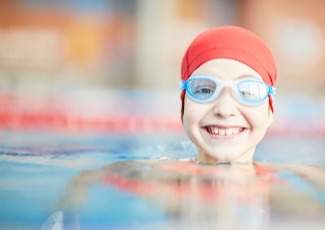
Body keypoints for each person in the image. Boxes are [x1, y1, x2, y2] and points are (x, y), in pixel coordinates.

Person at [179, 26, 276, 165]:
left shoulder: (299, 180)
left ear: (270, 111)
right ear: (182, 107)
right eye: (205, 90)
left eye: (247, 92)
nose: (225, 110)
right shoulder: (157, 181)